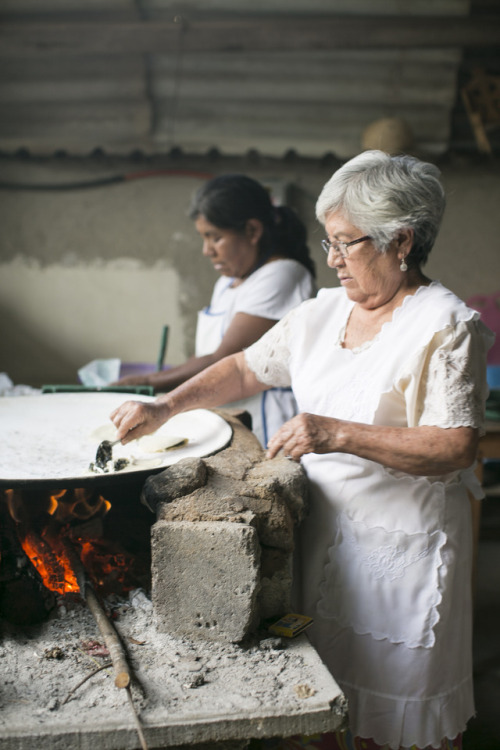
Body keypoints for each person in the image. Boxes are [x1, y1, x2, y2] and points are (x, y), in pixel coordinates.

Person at [110, 151, 494, 750]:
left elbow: (455, 445)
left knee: (390, 719)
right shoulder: (321, 311)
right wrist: (166, 407)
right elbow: (243, 368)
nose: (332, 258)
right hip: (321, 536)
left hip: (401, 554)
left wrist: (335, 432)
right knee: (320, 702)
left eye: (347, 243)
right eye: (329, 241)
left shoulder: (446, 326)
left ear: (402, 242)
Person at [114, 173, 316, 446]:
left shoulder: (282, 275)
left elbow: (224, 358)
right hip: (227, 412)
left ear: (253, 231)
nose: (206, 250)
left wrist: (148, 382)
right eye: (203, 238)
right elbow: (205, 357)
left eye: (215, 238)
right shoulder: (226, 282)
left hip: (266, 420)